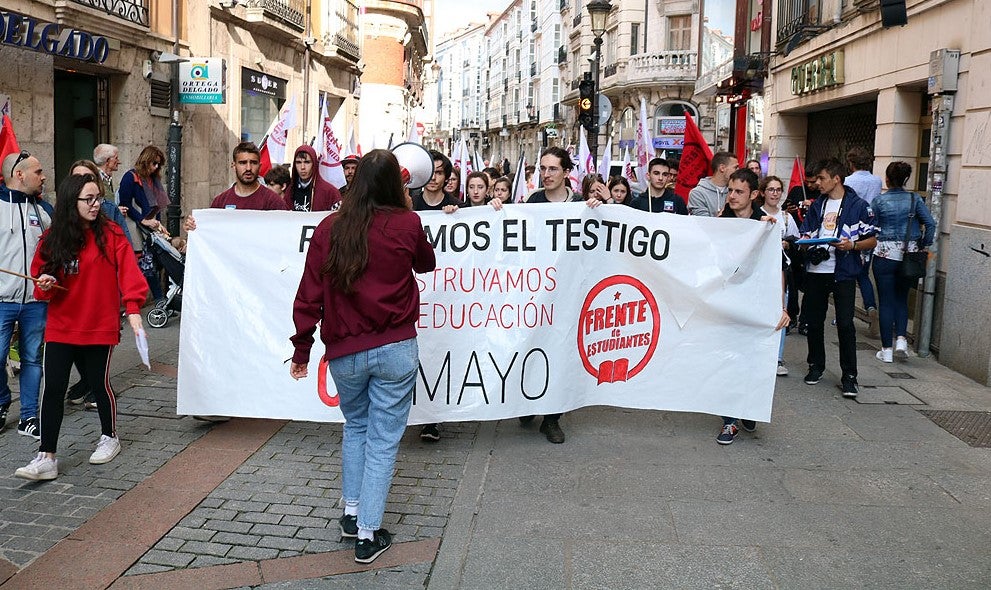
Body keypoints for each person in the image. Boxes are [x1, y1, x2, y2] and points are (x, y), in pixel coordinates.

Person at [290, 149, 436, 564]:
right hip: (394, 349)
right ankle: (368, 535)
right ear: (397, 185)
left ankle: (352, 514)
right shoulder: (408, 223)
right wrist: (408, 213)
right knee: (383, 441)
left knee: (356, 427)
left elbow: (308, 295)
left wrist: (302, 348)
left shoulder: (329, 228)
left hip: (345, 351)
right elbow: (426, 263)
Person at [14, 173, 148, 480]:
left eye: (97, 198)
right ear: (71, 202)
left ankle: (109, 435)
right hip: (62, 324)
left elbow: (129, 274)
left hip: (99, 323)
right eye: (88, 199)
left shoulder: (112, 234)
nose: (95, 204)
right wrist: (47, 283)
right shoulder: (53, 238)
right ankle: (46, 456)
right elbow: (40, 285)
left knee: (98, 384)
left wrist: (133, 309)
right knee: (54, 388)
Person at [491, 146, 601, 442]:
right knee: (533, 345)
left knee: (561, 351)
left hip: (567, 294)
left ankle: (552, 417)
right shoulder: (533, 201)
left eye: (553, 169)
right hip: (536, 292)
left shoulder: (580, 204)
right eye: (542, 168)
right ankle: (527, 401)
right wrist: (497, 212)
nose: (546, 174)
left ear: (567, 173)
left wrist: (596, 209)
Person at [716, 169, 789, 445]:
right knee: (728, 362)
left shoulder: (766, 224)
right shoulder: (722, 222)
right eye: (730, 191)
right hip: (729, 305)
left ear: (753, 195)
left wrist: (781, 307)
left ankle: (749, 407)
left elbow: (778, 269)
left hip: (758, 304)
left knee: (754, 360)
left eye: (739, 192)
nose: (732, 196)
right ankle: (729, 420)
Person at [799, 158, 877, 398]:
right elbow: (806, 231)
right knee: (814, 321)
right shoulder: (817, 206)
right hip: (817, 270)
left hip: (843, 271)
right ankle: (816, 366)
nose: (817, 183)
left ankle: (849, 376)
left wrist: (852, 245)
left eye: (822, 178)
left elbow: (872, 239)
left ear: (836, 179)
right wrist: (806, 242)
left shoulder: (858, 205)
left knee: (845, 324)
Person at [0, 151, 51, 439]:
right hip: (1, 300)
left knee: (32, 358)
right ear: (19, 175)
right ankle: (1, 401)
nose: (43, 177)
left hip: (35, 301)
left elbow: (54, 253)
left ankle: (29, 416)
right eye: (38, 172)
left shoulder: (44, 212)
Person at [870, 162, 936, 362]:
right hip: (909, 254)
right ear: (906, 179)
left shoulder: (879, 201)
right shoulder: (914, 199)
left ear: (887, 179)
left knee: (886, 301)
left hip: (884, 254)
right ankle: (901, 340)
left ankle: (886, 350)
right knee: (902, 298)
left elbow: (871, 226)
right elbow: (930, 223)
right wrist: (924, 243)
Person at [185, 142, 289, 233]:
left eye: (253, 163)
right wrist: (194, 228)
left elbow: (287, 233)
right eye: (243, 163)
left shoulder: (273, 202)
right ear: (233, 165)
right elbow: (209, 235)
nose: (248, 168)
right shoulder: (220, 202)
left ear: (260, 166)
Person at [758, 175, 799, 377]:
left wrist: (787, 244)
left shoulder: (786, 218)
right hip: (760, 272)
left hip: (781, 271)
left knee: (781, 312)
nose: (774, 193)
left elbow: (796, 241)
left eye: (778, 190)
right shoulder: (757, 215)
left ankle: (778, 357)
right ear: (763, 192)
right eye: (771, 189)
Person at [118, 145, 169, 305]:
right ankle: (156, 299)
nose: (155, 167)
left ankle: (159, 298)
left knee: (153, 262)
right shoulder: (130, 177)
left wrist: (158, 225)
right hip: (135, 227)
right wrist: (143, 220)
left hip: (151, 225)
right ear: (145, 161)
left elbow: (157, 206)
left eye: (158, 164)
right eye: (153, 163)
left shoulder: (154, 180)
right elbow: (125, 205)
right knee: (144, 264)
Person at [844, 147, 883, 336]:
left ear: (851, 163)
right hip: (868, 231)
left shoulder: (848, 181)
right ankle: (870, 307)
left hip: (851, 231)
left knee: (847, 275)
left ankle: (846, 314)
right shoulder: (877, 181)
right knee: (863, 274)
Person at [284, 145, 342, 212]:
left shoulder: (330, 192)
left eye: (307, 162)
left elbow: (337, 218)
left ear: (314, 164)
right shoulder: (290, 191)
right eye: (298, 162)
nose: (302, 167)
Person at [688, 151, 738, 216]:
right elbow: (704, 223)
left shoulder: (736, 191)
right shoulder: (697, 193)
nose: (738, 170)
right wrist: (727, 204)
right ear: (722, 168)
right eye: (735, 167)